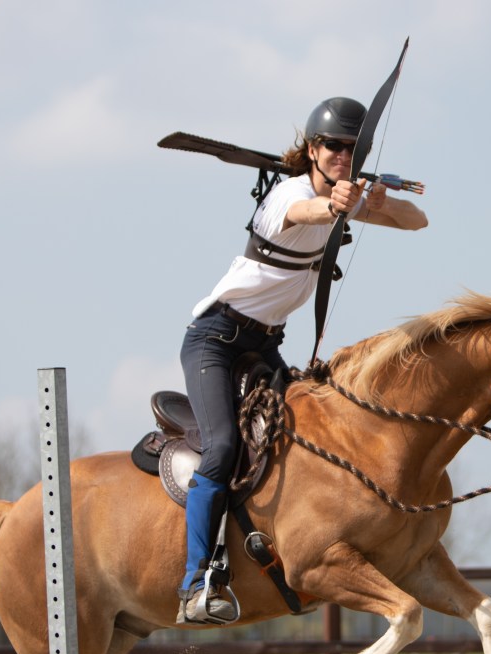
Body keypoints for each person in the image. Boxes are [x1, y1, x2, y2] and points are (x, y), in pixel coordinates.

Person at [177, 96, 428, 622]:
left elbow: (418, 220)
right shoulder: (287, 195)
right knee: (222, 447)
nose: (343, 155)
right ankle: (196, 581)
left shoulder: (346, 193)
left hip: (265, 344)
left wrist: (377, 203)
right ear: (313, 150)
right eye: (334, 146)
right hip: (215, 341)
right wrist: (338, 204)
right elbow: (306, 211)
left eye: (352, 149)